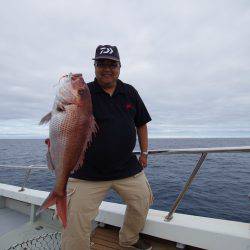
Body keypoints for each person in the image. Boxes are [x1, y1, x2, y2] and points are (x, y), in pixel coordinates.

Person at [61, 45, 153, 250]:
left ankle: (129, 238)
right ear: (94, 66)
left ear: (120, 66)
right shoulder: (83, 93)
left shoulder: (129, 92)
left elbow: (141, 123)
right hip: (86, 170)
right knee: (75, 222)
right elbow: (65, 117)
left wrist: (144, 152)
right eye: (101, 63)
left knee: (142, 201)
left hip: (126, 167)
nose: (107, 68)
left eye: (112, 64)